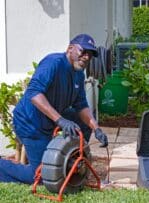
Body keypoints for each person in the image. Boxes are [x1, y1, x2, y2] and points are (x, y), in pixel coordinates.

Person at [0, 33, 108, 184]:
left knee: (82, 122)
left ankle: (73, 161)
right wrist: (61, 120)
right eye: (83, 51)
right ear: (70, 48)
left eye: (90, 55)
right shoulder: (53, 63)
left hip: (51, 118)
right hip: (30, 122)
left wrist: (97, 129)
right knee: (42, 176)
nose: (86, 57)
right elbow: (34, 93)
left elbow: (82, 106)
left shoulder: (78, 75)